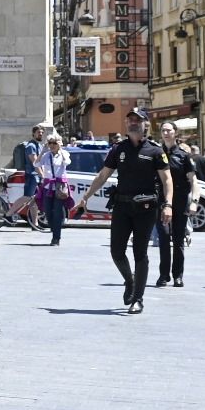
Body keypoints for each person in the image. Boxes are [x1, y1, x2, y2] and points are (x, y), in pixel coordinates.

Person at [80, 108, 172, 313]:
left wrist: (168, 205)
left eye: (137, 120)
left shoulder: (155, 150)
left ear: (145, 124)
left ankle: (138, 298)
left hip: (146, 209)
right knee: (116, 251)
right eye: (130, 119)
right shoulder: (118, 149)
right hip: (122, 207)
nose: (132, 122)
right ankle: (129, 280)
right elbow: (103, 175)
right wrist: (85, 197)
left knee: (140, 252)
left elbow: (167, 180)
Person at [155, 122, 196, 288]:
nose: (165, 133)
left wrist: (194, 201)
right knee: (163, 238)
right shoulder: (156, 153)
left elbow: (193, 180)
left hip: (179, 201)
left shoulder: (183, 155)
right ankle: (164, 275)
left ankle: (178, 275)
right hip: (162, 201)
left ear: (175, 133)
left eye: (168, 130)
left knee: (178, 240)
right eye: (163, 130)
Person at [33, 131, 71, 246]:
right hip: (48, 187)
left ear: (59, 143)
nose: (52, 145)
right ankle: (54, 230)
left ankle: (56, 238)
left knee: (58, 212)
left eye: (55, 143)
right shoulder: (46, 155)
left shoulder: (64, 153)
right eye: (50, 143)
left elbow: (67, 162)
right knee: (48, 211)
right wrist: (43, 151)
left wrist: (61, 150)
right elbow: (36, 164)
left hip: (59, 187)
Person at [14, 125, 45, 214]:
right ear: (33, 133)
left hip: (37, 177)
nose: (41, 134)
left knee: (35, 200)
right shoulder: (31, 146)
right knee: (27, 197)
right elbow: (35, 163)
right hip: (31, 176)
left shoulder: (39, 145)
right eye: (39, 132)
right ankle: (8, 214)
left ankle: (35, 224)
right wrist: (43, 176)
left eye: (42, 132)